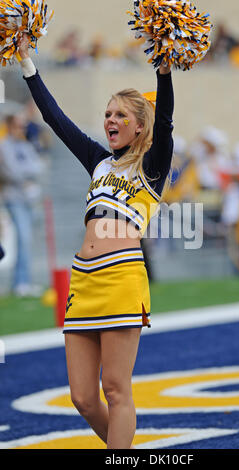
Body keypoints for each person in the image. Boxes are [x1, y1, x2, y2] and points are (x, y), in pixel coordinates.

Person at [17, 32, 174, 449]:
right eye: (107, 114)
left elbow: (166, 121)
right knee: (83, 398)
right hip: (84, 279)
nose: (110, 121)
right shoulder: (97, 161)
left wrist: (163, 74)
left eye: (120, 115)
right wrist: (28, 65)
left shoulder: (152, 169)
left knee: (116, 390)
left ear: (140, 125)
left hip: (122, 279)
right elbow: (55, 118)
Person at [0, 113, 43, 296]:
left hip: (29, 200)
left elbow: (39, 167)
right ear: (10, 126)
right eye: (19, 126)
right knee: (22, 239)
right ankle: (20, 282)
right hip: (13, 200)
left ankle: (23, 281)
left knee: (27, 241)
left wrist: (27, 174)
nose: (22, 130)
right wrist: (28, 175)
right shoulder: (4, 146)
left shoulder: (26, 145)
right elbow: (12, 171)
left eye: (24, 126)